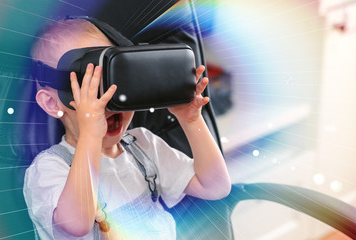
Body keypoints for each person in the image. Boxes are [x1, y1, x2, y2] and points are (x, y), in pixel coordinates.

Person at [23, 18, 231, 240]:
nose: (107, 98)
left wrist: (190, 121)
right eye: (89, 88)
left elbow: (215, 187)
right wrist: (91, 135)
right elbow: (76, 225)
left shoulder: (142, 145)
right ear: (53, 104)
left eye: (117, 79)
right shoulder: (49, 168)